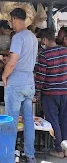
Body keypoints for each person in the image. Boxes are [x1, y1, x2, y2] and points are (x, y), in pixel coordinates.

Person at [2, 8, 38, 163]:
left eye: (11, 21)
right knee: (28, 120)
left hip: (16, 84)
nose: (11, 24)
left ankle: (9, 155)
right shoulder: (33, 37)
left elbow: (13, 62)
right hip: (29, 83)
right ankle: (30, 155)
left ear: (15, 19)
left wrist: (4, 75)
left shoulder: (18, 37)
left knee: (12, 120)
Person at [35, 28, 67, 158]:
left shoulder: (44, 55)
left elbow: (41, 76)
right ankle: (65, 149)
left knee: (53, 122)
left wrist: (36, 93)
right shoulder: (65, 51)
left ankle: (59, 150)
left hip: (50, 94)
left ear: (44, 40)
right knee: (64, 121)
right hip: (65, 92)